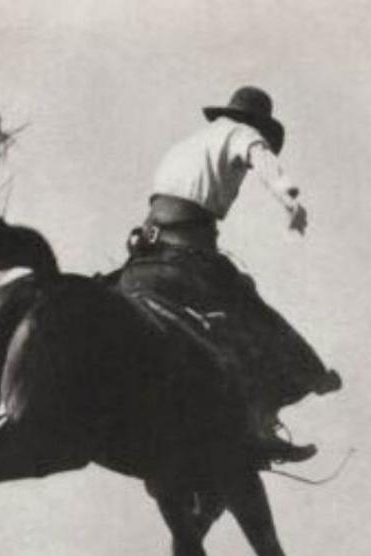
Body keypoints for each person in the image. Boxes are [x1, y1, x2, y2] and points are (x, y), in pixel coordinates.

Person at [118, 86, 341, 466]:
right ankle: (264, 420)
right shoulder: (243, 135)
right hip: (187, 251)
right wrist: (291, 202)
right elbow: (264, 161)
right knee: (249, 312)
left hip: (144, 252)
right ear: (257, 123)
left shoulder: (187, 143)